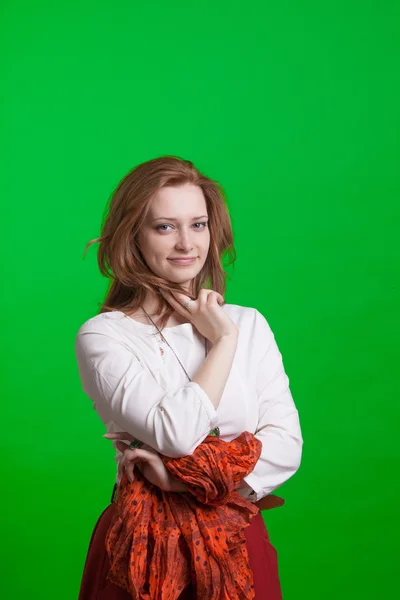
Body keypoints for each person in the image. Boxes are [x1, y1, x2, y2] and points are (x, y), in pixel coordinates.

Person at [74, 155, 303, 599]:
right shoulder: (105, 336)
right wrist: (220, 345)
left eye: (198, 224)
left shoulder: (247, 324)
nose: (186, 243)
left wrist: (182, 481)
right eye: (165, 227)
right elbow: (176, 433)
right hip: (143, 548)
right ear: (132, 236)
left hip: (237, 540)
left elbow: (287, 445)